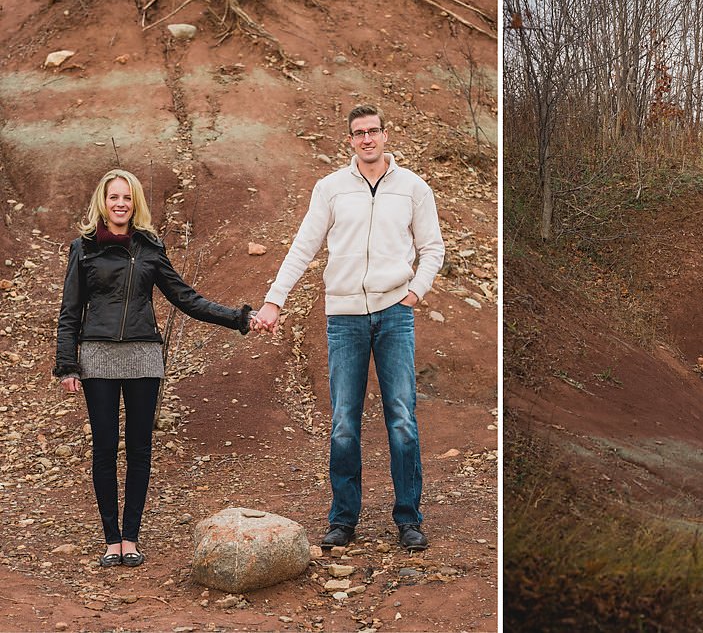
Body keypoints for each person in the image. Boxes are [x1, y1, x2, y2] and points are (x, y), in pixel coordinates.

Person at [252, 103, 445, 552]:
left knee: (402, 420)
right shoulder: (331, 189)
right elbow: (303, 247)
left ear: (385, 135)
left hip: (395, 314)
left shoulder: (413, 188)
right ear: (349, 140)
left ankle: (408, 520)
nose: (367, 139)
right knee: (343, 423)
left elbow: (432, 247)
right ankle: (343, 520)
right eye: (358, 133)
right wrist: (273, 300)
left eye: (373, 131)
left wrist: (415, 292)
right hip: (343, 318)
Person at [54, 169, 253, 568]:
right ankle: (111, 539)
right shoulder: (84, 248)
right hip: (98, 355)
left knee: (140, 449)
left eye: (127, 197)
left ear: (135, 203)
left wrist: (238, 318)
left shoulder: (149, 247)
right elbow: (70, 311)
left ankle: (132, 537)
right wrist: (67, 365)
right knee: (106, 448)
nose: (120, 204)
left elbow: (184, 297)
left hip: (144, 355)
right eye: (114, 197)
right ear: (103, 202)